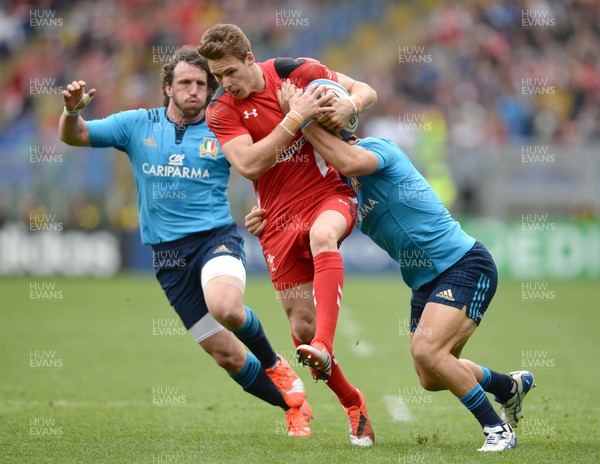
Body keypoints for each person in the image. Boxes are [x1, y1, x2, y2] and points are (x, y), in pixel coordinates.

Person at [246, 81, 536, 452]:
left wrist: (298, 118)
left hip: (463, 264)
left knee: (429, 352)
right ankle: (507, 386)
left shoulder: (374, 149)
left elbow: (347, 160)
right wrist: (267, 222)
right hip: (424, 283)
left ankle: (497, 431)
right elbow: (315, 230)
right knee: (431, 375)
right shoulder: (341, 190)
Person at [58, 46, 312, 437]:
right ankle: (293, 407)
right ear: (168, 87)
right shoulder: (137, 124)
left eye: (201, 83)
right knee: (226, 354)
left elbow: (265, 167)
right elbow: (77, 136)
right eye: (185, 83)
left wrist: (268, 212)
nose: (194, 90)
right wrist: (72, 110)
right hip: (168, 258)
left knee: (226, 306)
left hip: (215, 240)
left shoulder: (222, 127)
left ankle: (275, 363)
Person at [198, 24, 378, 446]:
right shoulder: (221, 110)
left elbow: (365, 91)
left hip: (328, 193)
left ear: (249, 58)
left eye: (229, 72)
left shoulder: (295, 72)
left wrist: (346, 106)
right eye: (217, 76)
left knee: (322, 237)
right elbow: (248, 164)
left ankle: (325, 346)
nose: (225, 84)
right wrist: (296, 117)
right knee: (300, 327)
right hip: (275, 220)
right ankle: (353, 402)